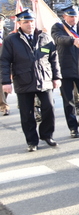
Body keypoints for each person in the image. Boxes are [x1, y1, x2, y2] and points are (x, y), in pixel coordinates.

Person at [0, 8, 61, 152]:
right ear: (19, 23)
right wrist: (6, 82)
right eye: (26, 22)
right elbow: (4, 62)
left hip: (44, 80)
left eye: (32, 21)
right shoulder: (11, 40)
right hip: (23, 80)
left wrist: (57, 77)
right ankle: (32, 141)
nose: (30, 24)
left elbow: (54, 59)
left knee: (49, 108)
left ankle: (47, 135)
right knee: (27, 114)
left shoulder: (45, 37)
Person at [51, 5, 79, 138]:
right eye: (70, 16)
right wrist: (73, 40)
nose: (73, 18)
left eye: (75, 16)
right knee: (68, 101)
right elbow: (59, 39)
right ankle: (73, 127)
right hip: (65, 69)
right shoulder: (58, 27)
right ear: (64, 17)